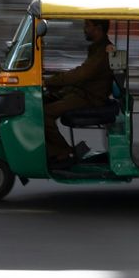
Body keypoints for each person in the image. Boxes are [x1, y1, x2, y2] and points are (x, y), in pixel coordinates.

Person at [43, 19, 114, 167]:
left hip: (90, 98)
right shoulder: (96, 48)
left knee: (45, 114)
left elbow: (81, 74)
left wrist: (50, 81)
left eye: (87, 25)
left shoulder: (104, 51)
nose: (84, 29)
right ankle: (51, 151)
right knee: (41, 101)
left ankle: (63, 152)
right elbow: (81, 74)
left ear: (98, 28)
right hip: (81, 92)